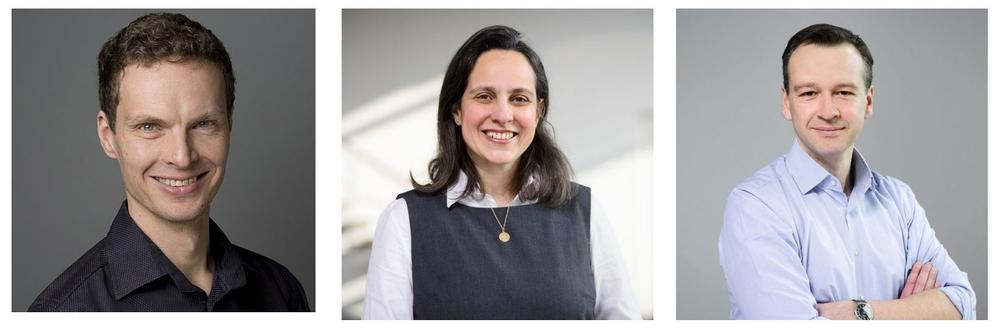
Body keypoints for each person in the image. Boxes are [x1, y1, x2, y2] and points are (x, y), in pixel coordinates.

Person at [29, 12, 310, 312]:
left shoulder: (281, 291)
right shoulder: (62, 312)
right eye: (149, 127)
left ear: (229, 123)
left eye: (203, 124)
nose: (181, 156)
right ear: (107, 135)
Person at [362, 25, 640, 320]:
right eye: (484, 96)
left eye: (519, 99)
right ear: (456, 109)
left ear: (538, 111)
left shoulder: (585, 210)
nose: (503, 115)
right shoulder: (403, 219)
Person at [718, 23, 975, 320]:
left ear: (868, 102)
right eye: (809, 93)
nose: (828, 111)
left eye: (843, 92)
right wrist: (910, 313)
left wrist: (859, 312)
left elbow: (962, 304)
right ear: (786, 103)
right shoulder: (756, 206)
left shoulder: (899, 201)